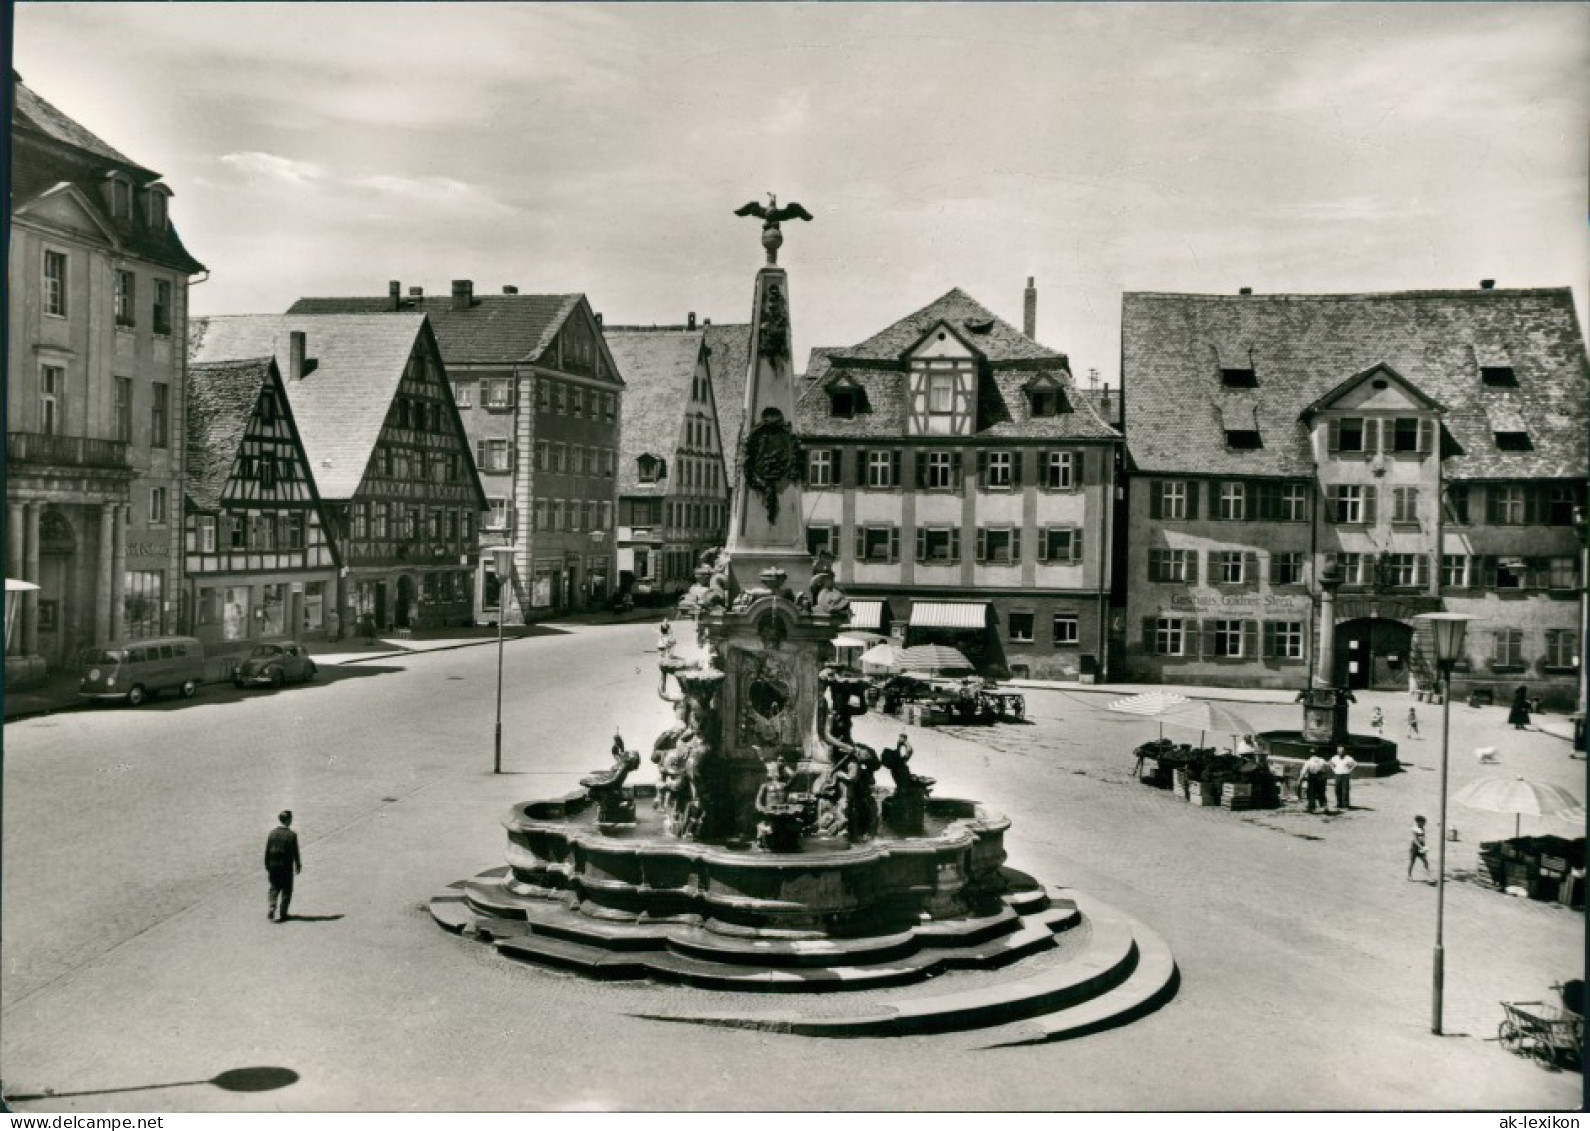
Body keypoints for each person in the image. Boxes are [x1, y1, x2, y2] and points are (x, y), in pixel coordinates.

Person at [265, 810, 302, 922]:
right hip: (286, 866)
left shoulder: (272, 833)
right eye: (291, 818)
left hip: (273, 865)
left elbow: (267, 850)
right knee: (287, 889)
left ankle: (272, 906)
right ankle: (283, 913)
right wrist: (298, 865)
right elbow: (296, 852)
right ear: (288, 820)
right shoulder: (292, 835)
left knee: (274, 887)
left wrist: (267, 864)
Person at [1408, 815, 1431, 880]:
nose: (1424, 824)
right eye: (1423, 822)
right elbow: (1415, 840)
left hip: (1421, 847)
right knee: (1412, 862)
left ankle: (1428, 876)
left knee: (1425, 861)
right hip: (1415, 847)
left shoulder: (1423, 829)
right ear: (1418, 822)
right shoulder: (1414, 829)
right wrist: (1421, 847)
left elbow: (1423, 839)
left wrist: (1424, 847)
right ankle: (1409, 876)